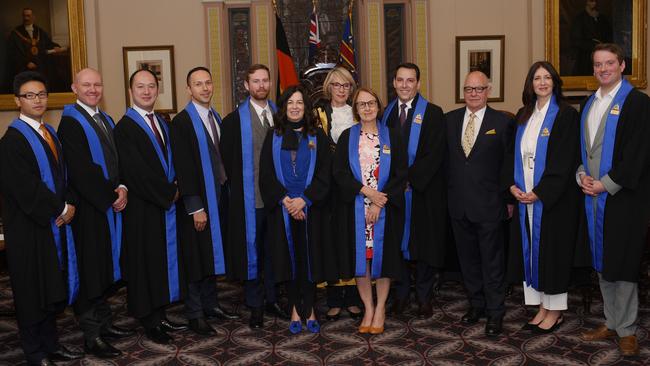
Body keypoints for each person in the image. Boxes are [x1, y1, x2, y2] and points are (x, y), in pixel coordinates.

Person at [0, 71, 83, 365]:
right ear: (17, 101)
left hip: (51, 225)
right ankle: (34, 351)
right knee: (31, 290)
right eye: (29, 95)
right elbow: (26, 188)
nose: (37, 100)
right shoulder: (12, 141)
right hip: (29, 229)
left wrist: (70, 202)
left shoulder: (50, 134)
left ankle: (52, 344)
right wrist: (61, 209)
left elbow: (65, 176)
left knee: (50, 286)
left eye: (42, 94)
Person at [577, 43, 650, 357]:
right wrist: (581, 175)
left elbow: (637, 155)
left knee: (623, 263)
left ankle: (628, 330)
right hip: (592, 196)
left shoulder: (638, 103)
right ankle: (612, 320)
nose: (603, 69)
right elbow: (584, 151)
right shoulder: (588, 103)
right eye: (597, 64)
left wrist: (604, 185)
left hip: (623, 198)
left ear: (622, 66)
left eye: (609, 63)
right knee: (603, 261)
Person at [57, 68, 133, 358]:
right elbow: (81, 171)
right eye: (86, 85)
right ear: (74, 88)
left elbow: (117, 161)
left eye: (97, 84)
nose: (93, 89)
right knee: (90, 269)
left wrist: (123, 187)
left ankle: (105, 323)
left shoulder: (105, 119)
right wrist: (109, 197)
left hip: (108, 203)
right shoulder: (70, 124)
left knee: (103, 265)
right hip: (89, 209)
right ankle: (91, 335)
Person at [507, 61, 581, 334]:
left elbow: (564, 161)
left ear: (555, 82)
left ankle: (556, 311)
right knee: (532, 252)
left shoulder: (565, 115)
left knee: (553, 254)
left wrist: (540, 192)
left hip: (553, 199)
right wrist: (512, 187)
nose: (542, 82)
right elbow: (510, 155)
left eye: (547, 77)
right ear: (530, 84)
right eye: (537, 78)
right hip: (524, 194)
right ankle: (541, 307)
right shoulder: (523, 115)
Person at [114, 68, 188, 345]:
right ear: (131, 91)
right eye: (141, 87)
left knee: (160, 261)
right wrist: (170, 193)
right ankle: (148, 319)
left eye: (151, 87)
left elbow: (174, 158)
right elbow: (135, 171)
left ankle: (160, 313)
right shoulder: (124, 127)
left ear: (158, 90)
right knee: (143, 263)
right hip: (143, 208)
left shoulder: (162, 122)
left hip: (164, 205)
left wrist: (179, 184)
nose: (147, 92)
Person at [170, 66, 240, 336]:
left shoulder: (216, 117)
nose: (204, 88)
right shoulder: (181, 122)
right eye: (198, 84)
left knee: (211, 253)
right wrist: (195, 206)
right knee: (195, 258)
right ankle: (195, 313)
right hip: (198, 202)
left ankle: (211, 304)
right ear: (189, 89)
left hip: (219, 196)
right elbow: (183, 168)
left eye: (208, 83)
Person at [333, 87, 407, 335]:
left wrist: (378, 201)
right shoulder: (347, 137)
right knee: (362, 259)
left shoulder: (393, 137)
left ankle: (381, 308)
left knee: (384, 259)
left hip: (385, 209)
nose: (367, 108)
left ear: (378, 106)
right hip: (355, 210)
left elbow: (400, 174)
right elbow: (340, 173)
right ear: (356, 109)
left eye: (371, 103)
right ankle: (368, 307)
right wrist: (366, 192)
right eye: (362, 104)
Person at [220, 64, 289, 329]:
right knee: (253, 253)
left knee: (274, 251)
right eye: (255, 81)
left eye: (265, 81)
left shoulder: (280, 115)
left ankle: (272, 298)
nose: (261, 85)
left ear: (270, 84)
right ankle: (256, 304)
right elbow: (228, 163)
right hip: (249, 201)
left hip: (277, 201)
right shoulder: (233, 121)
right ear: (246, 86)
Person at [445, 71, 514, 336]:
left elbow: (507, 165)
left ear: (489, 90)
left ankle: (496, 313)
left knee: (492, 263)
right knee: (468, 261)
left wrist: (507, 199)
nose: (474, 93)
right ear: (463, 91)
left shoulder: (502, 122)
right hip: (459, 205)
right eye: (469, 89)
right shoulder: (449, 121)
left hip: (489, 205)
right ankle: (477, 305)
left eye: (479, 89)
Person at [259, 85, 331, 334]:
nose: (295, 106)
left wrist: (305, 200)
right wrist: (286, 201)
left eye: (300, 102)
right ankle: (293, 308)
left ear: (306, 107)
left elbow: (325, 174)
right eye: (290, 102)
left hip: (312, 211)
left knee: (308, 261)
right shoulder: (273, 135)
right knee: (289, 261)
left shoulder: (317, 136)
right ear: (284, 106)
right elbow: (266, 175)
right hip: (283, 211)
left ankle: (309, 309)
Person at [382, 63, 446, 319]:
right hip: (395, 194)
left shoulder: (433, 113)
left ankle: (423, 296)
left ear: (418, 84)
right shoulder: (385, 114)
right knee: (396, 244)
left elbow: (435, 154)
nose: (405, 85)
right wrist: (397, 183)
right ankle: (400, 295)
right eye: (400, 80)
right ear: (394, 83)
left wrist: (410, 179)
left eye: (410, 81)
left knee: (423, 245)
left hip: (423, 192)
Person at [313, 66, 362, 321]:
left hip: (354, 186)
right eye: (337, 85)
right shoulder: (318, 113)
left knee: (352, 239)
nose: (341, 90)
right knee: (331, 241)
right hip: (327, 188)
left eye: (346, 86)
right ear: (329, 87)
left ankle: (353, 297)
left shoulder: (360, 111)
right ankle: (333, 298)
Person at [5, 8, 64, 86]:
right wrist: (26, 63)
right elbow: (12, 52)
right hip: (23, 68)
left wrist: (56, 46)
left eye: (28, 16)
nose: (26, 18)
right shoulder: (15, 33)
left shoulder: (40, 31)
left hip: (40, 67)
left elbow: (48, 43)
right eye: (24, 16)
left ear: (33, 17)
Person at [570, 0, 612, 76]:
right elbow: (575, 40)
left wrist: (603, 45)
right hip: (585, 57)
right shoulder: (579, 18)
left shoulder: (602, 18)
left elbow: (608, 35)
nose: (594, 3)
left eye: (595, 1)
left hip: (602, 55)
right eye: (591, 1)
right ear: (586, 2)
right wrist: (593, 45)